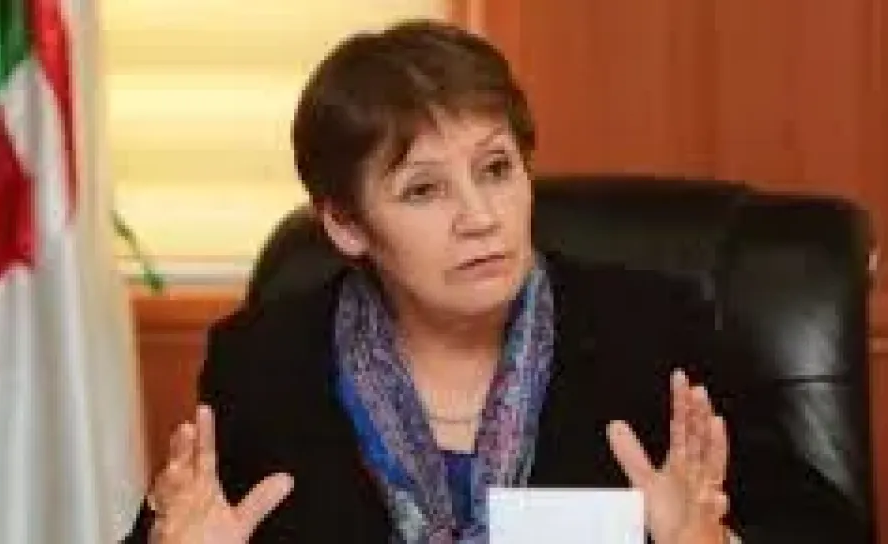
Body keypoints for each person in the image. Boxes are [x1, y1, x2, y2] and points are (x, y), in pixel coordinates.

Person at [125, 20, 869, 544]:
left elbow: (825, 530)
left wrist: (711, 543)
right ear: (348, 225)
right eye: (424, 190)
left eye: (496, 169)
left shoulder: (652, 338)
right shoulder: (266, 366)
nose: (480, 217)